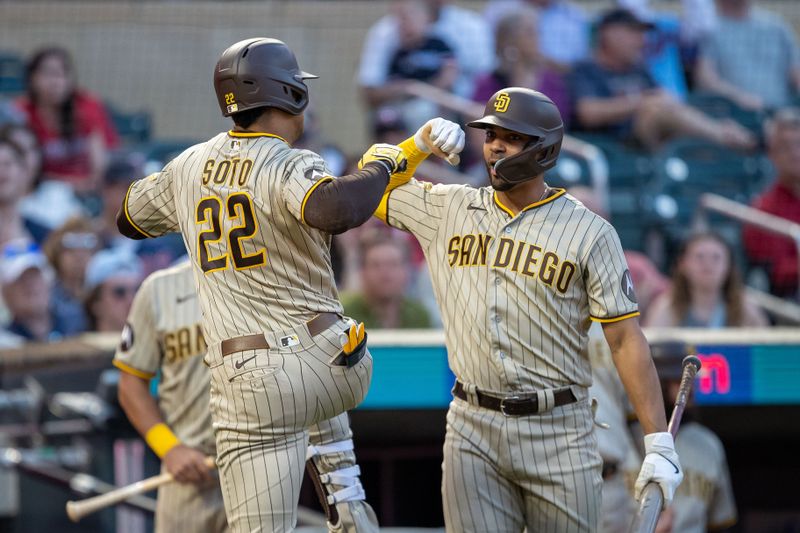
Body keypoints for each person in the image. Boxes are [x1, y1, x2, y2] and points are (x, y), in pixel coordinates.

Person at [114, 37, 459, 531]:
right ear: (290, 94)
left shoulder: (187, 165)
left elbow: (128, 218)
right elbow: (339, 205)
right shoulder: (290, 161)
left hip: (255, 375)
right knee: (322, 433)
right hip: (333, 360)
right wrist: (389, 160)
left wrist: (187, 196)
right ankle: (344, 493)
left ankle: (334, 470)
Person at [373, 87, 682, 531]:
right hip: (471, 425)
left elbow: (624, 337)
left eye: (512, 136)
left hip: (559, 428)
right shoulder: (449, 206)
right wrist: (416, 145)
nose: (496, 145)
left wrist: (657, 441)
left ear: (544, 150)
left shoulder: (589, 231)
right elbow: (370, 188)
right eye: (490, 134)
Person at [114, 261, 228, 533]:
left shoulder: (269, 271)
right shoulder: (158, 288)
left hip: (261, 462)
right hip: (190, 473)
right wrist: (170, 448)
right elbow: (130, 385)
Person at [569, 8, 755, 151]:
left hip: (656, 140)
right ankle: (723, 136)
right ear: (608, 33)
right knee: (655, 107)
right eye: (634, 32)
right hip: (614, 143)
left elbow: (665, 100)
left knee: (666, 105)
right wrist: (639, 102)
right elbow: (588, 113)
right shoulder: (586, 68)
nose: (642, 40)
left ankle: (723, 137)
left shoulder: (638, 69)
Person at [649, 340, 738, 533]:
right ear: (657, 382)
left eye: (691, 381)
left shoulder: (708, 444)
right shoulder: (628, 439)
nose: (689, 389)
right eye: (678, 380)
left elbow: (721, 522)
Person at [14, 46, 119, 194]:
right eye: (48, 74)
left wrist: (90, 185)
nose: (55, 81)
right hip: (40, 192)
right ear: (32, 78)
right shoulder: (20, 113)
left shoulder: (88, 105)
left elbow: (101, 167)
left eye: (62, 74)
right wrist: (69, 185)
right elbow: (22, 170)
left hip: (89, 193)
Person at [357, 0, 492, 101]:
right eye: (404, 18)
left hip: (454, 107)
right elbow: (369, 87)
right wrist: (408, 89)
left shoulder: (470, 26)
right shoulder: (387, 32)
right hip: (401, 109)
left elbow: (486, 79)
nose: (406, 24)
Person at [645, 231, 769, 328]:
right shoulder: (665, 308)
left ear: (729, 266)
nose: (708, 264)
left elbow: (764, 354)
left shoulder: (747, 309)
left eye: (716, 258)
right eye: (699, 257)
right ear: (682, 264)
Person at [696, 0, 800, 112]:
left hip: (782, 113)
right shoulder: (708, 30)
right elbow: (706, 79)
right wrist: (738, 96)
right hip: (736, 116)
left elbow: (796, 74)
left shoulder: (777, 28)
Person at [743, 108, 800, 300]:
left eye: (799, 145)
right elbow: (775, 272)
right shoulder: (763, 209)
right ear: (772, 155)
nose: (795, 154)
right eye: (785, 147)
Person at [340, 229, 431, 329]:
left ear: (406, 271)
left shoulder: (419, 316)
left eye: (393, 264)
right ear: (362, 272)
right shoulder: (343, 315)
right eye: (376, 265)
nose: (385, 273)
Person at [42, 216, 100, 336]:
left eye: (86, 249)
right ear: (57, 254)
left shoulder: (103, 293)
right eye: (70, 250)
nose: (79, 256)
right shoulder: (46, 295)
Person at [0, 239, 58, 345]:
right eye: (20, 280)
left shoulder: (77, 326)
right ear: (6, 293)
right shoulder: (4, 343)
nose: (30, 286)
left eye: (35, 276)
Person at [83, 248, 142, 333]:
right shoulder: (73, 344)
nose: (131, 300)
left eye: (138, 291)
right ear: (95, 304)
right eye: (120, 292)